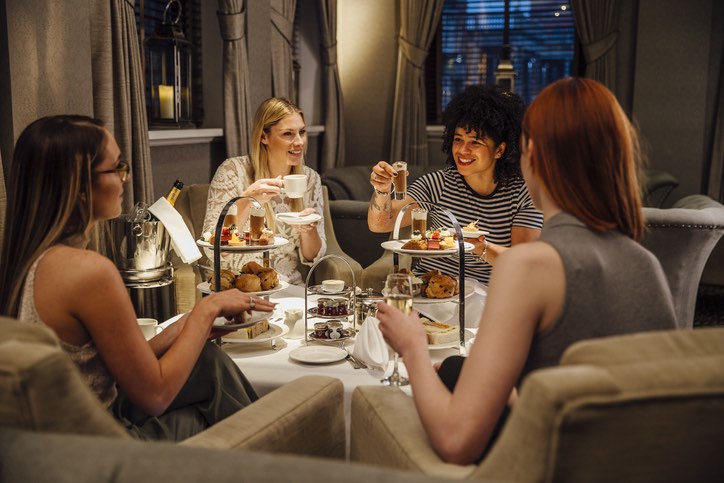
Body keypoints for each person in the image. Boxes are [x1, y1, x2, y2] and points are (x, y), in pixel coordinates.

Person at [376, 78, 678, 465]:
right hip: (628, 463)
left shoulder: (528, 267)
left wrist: (413, 345)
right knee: (454, 367)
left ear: (528, 152)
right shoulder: (645, 264)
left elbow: (456, 440)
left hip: (551, 464)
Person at [0, 115, 274, 441]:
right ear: (80, 188)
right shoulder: (88, 273)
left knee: (208, 361)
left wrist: (188, 327)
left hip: (64, 435)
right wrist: (206, 310)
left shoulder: (33, 261)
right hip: (102, 445)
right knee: (215, 412)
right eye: (116, 168)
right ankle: (278, 453)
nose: (125, 179)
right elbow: (155, 396)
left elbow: (106, 368)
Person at [368, 85, 543, 285]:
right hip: (430, 291)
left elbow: (524, 264)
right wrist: (382, 190)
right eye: (458, 139)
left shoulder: (523, 193)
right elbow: (380, 224)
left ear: (500, 150)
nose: (462, 150)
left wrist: (478, 247)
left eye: (475, 142)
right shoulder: (437, 183)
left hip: (489, 296)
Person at [203, 97, 325, 286]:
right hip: (239, 286)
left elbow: (311, 256)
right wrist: (246, 200)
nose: (299, 141)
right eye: (288, 134)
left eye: (302, 132)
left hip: (287, 286)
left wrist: (309, 231)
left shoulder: (310, 179)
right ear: (263, 136)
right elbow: (215, 250)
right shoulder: (232, 171)